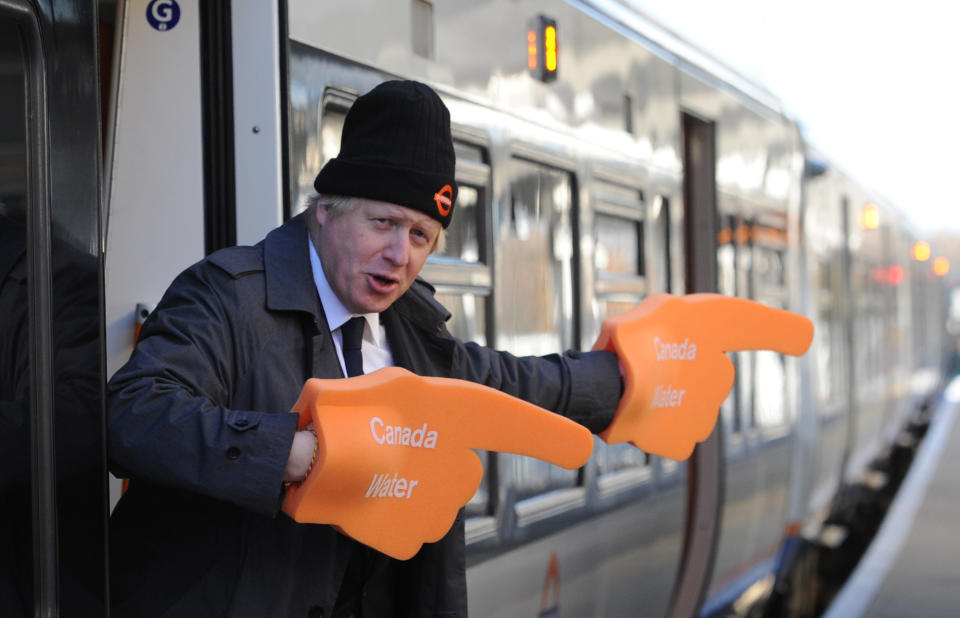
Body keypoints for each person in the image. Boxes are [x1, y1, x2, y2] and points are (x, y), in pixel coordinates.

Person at [107, 80, 623, 617]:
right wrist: (287, 452)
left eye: (421, 236)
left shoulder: (414, 332)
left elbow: (510, 385)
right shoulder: (227, 295)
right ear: (326, 211)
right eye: (384, 223)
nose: (399, 254)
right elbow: (132, 414)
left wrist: (627, 376)